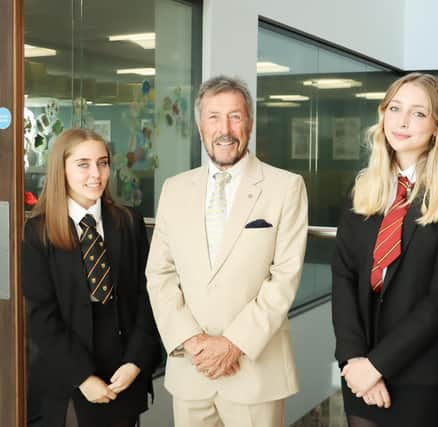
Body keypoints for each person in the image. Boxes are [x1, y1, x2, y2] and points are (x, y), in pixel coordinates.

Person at [145, 75, 308, 427]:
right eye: (214, 117)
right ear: (200, 125)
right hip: (192, 370)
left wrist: (233, 343)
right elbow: (159, 274)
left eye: (235, 116)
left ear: (249, 121)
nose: (225, 129)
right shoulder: (174, 190)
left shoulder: (285, 187)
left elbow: (285, 279)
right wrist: (191, 341)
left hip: (254, 372)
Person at [331, 72, 438, 427]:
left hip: (420, 371)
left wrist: (378, 365)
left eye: (418, 113)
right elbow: (344, 278)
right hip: (359, 365)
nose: (402, 121)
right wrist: (354, 361)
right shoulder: (363, 188)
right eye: (395, 108)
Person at [22, 128, 161, 427]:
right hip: (69, 374)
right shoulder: (37, 234)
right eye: (83, 164)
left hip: (123, 372)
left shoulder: (128, 222)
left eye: (103, 162)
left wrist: (136, 362)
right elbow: (42, 316)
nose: (96, 174)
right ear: (61, 169)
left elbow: (148, 299)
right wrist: (82, 377)